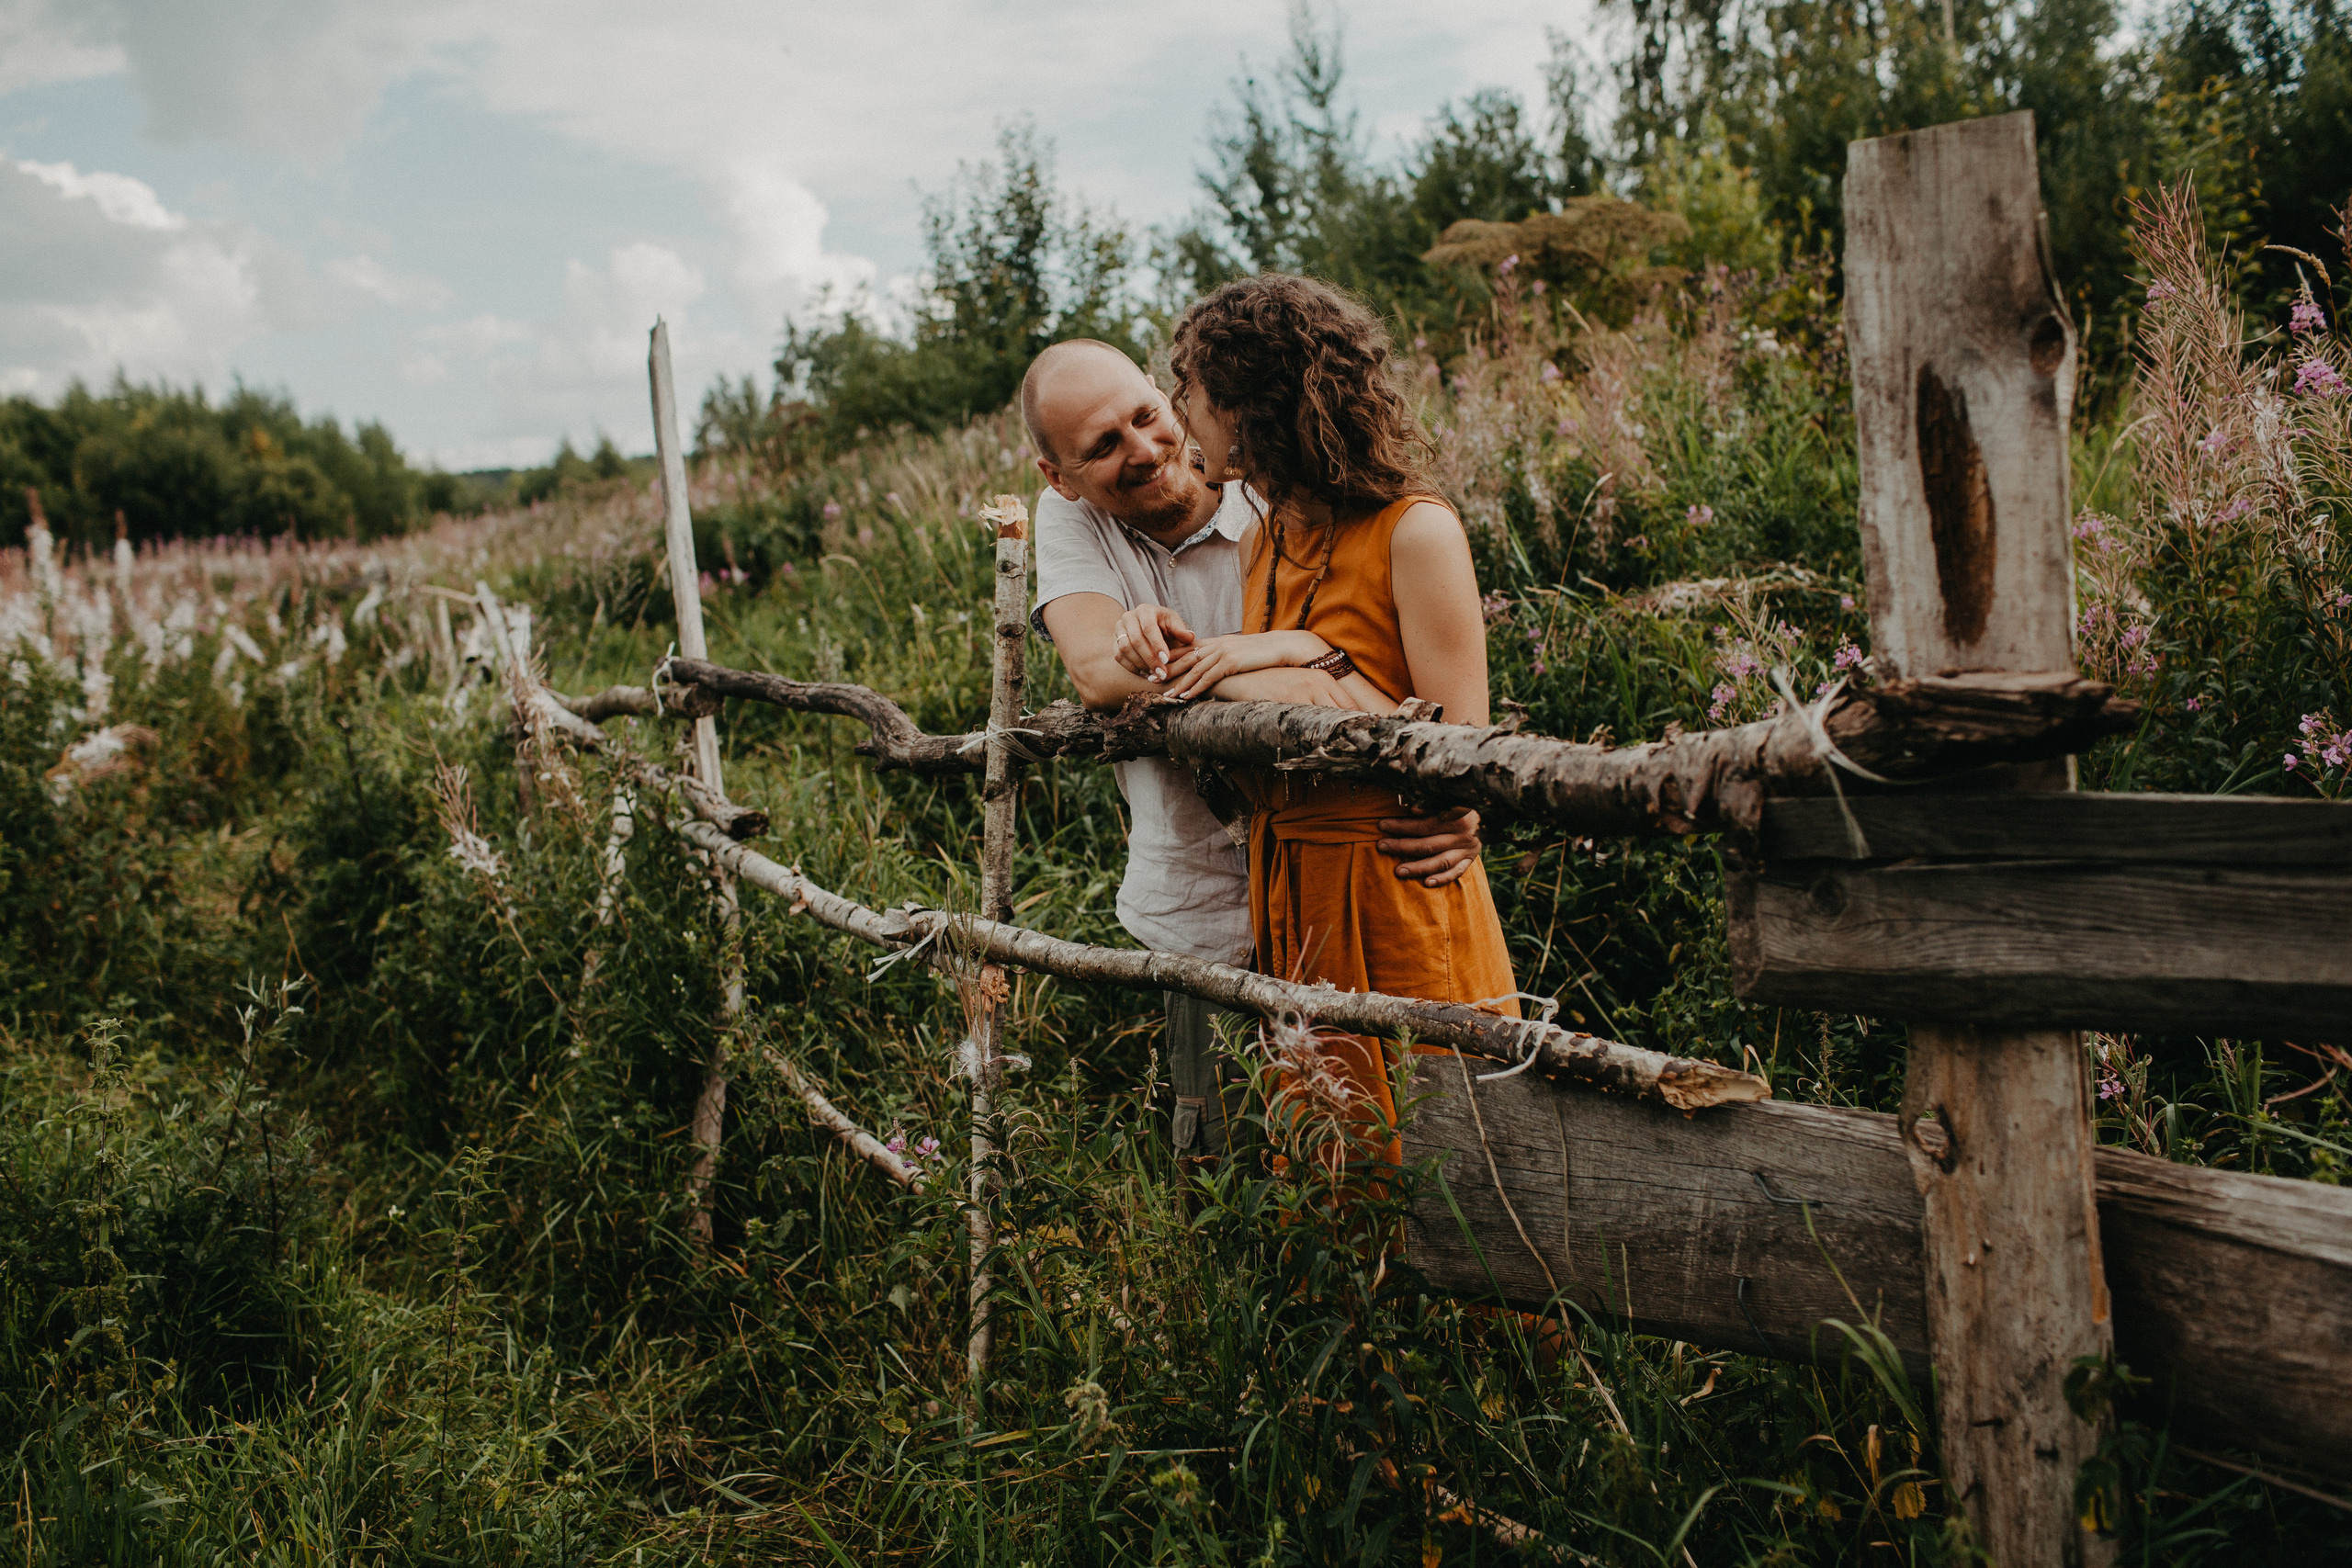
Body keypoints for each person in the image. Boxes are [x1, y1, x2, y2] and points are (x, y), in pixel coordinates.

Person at [1021, 338, 1486, 1160]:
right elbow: (1096, 672)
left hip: (1354, 880)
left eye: (1149, 414)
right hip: (1205, 903)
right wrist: (1240, 661)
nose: (1146, 448)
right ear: (1060, 477)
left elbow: (1410, 698)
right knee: (1234, 1158)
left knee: (1420, 1145)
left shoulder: (1271, 496)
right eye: (1102, 446)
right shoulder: (1071, 516)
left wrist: (1464, 800)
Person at [1155, 276, 1521, 1159]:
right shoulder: (1260, 539)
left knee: (1438, 1161)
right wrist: (1278, 663)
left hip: (1397, 885)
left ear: (1250, 408)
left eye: (1191, 394)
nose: (1179, 418)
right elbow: (1253, 709)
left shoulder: (1414, 532)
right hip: (1291, 893)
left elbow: (1454, 752)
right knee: (1328, 1160)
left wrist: (1289, 654)